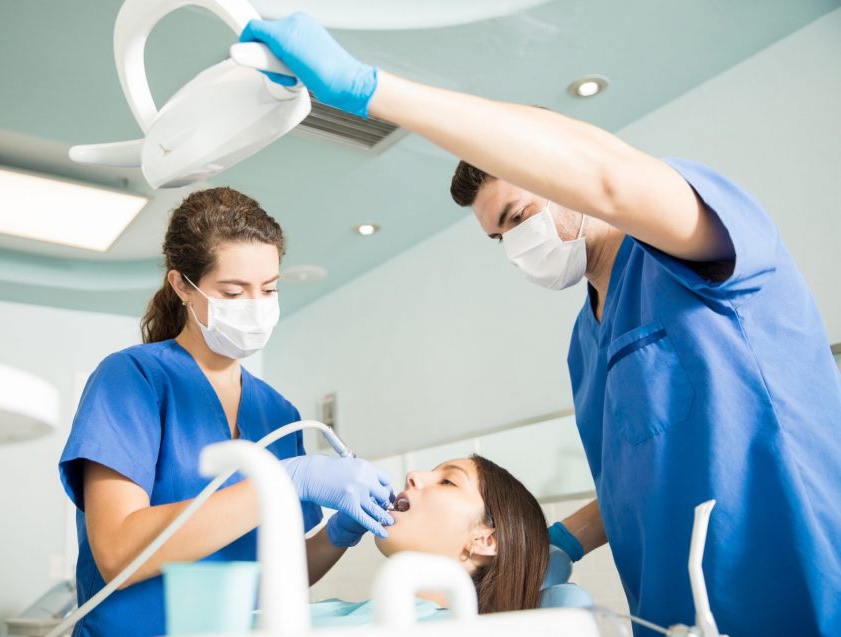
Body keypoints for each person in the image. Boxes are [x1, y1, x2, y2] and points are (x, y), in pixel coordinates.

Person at [237, 14, 841, 637]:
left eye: (518, 214)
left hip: (801, 598)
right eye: (499, 236)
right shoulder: (586, 347)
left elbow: (607, 177)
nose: (515, 245)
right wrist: (563, 540)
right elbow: (648, 474)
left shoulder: (703, 253)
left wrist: (369, 90)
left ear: (562, 181)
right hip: (673, 618)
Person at [58, 187, 395, 637]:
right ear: (182, 286)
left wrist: (338, 535)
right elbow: (118, 550)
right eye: (234, 292)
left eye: (270, 289)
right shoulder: (132, 380)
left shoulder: (279, 412)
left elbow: (280, 572)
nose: (256, 305)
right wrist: (288, 478)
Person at [304, 454, 550, 628]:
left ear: (486, 540)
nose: (412, 475)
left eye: (447, 481)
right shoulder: (365, 615)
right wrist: (330, 536)